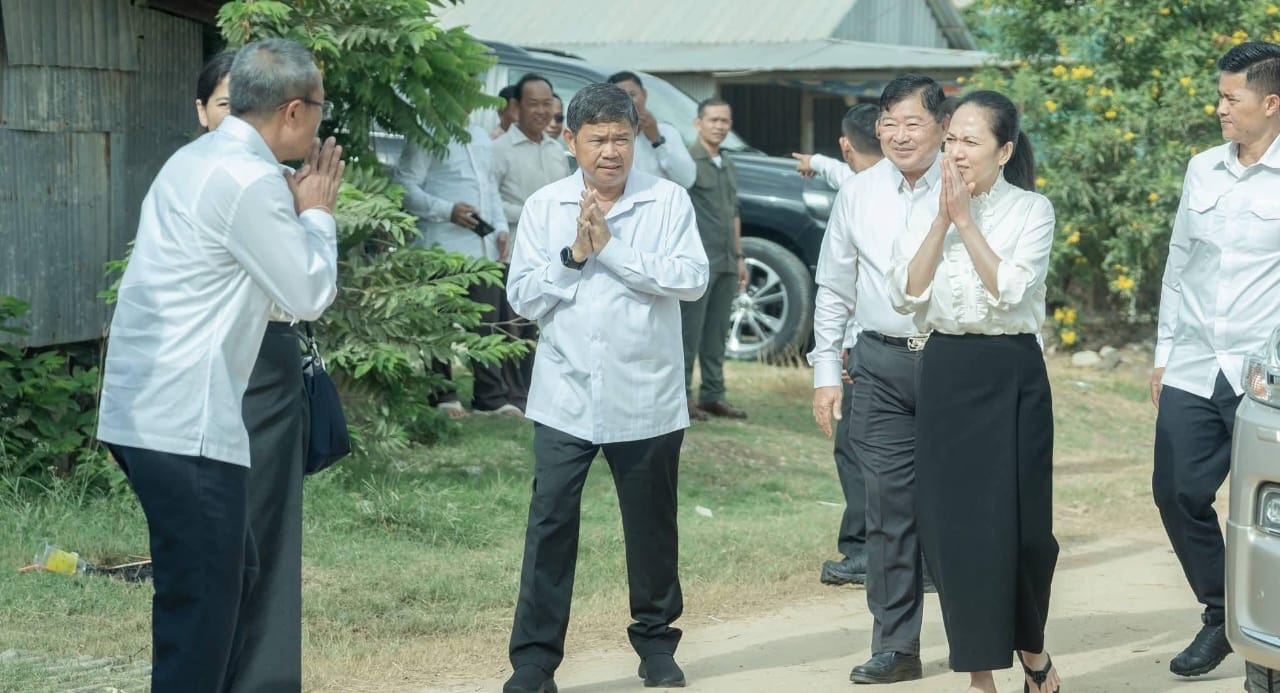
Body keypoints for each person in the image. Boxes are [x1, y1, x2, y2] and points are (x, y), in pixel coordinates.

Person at [96, 38, 343, 692]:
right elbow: (308, 293)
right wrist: (317, 216)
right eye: (321, 106)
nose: (322, 120)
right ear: (293, 111)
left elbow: (262, 297)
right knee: (203, 609)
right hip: (188, 421)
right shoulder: (249, 179)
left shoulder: (196, 159)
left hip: (149, 413)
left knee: (228, 580)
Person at [502, 83, 709, 693]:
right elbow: (522, 298)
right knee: (550, 526)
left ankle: (656, 643)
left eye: (622, 138)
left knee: (651, 527)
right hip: (564, 395)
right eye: (597, 140)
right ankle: (534, 662)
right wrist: (573, 255)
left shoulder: (667, 200)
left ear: (636, 137)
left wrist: (612, 251)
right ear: (571, 141)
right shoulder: (545, 206)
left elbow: (692, 279)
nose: (611, 152)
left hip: (646, 394)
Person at [889, 90, 1060, 693]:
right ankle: (979, 676)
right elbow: (906, 293)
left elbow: (1011, 289)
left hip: (1012, 371)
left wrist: (965, 221)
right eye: (951, 140)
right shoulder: (923, 207)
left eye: (970, 141)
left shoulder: (1032, 210)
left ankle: (1032, 648)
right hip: (947, 368)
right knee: (956, 530)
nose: (956, 152)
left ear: (1004, 151)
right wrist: (942, 219)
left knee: (1026, 532)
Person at [809, 74, 948, 685]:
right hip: (880, 365)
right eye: (889, 123)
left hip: (956, 363)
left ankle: (983, 635)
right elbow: (834, 286)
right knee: (887, 510)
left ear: (943, 127)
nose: (899, 135)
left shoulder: (970, 182)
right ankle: (897, 645)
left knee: (960, 507)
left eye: (913, 122)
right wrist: (825, 371)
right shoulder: (857, 192)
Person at [1152, 41, 1280, 679]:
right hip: (1196, 361)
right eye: (1220, 96)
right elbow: (1179, 262)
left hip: (1267, 375)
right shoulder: (1202, 168)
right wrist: (1163, 353)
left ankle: (1269, 627)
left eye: (1232, 98)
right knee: (1175, 491)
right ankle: (1223, 612)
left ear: (1271, 102)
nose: (1220, 108)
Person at [393, 115, 521, 418]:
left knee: (486, 325)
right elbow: (404, 186)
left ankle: (490, 398)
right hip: (441, 249)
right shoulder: (426, 133)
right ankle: (443, 395)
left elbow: (489, 188)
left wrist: (501, 228)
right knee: (438, 325)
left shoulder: (479, 135)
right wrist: (446, 210)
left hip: (482, 250)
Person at [811, 102, 884, 587]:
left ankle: (864, 550)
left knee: (858, 451)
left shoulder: (859, 194)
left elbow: (840, 285)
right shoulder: (909, 187)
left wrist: (836, 349)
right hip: (908, 347)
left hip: (867, 347)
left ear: (846, 144)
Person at [493, 73, 571, 410]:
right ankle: (514, 392)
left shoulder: (557, 151)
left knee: (544, 326)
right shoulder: (499, 150)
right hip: (513, 251)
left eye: (547, 104)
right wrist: (532, 211)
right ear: (516, 106)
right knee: (515, 325)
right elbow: (490, 201)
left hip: (555, 255)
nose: (542, 111)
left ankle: (537, 389)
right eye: (533, 104)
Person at [682, 98, 749, 422]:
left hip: (726, 260)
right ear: (698, 123)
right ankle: (681, 396)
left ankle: (713, 394)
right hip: (698, 261)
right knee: (688, 334)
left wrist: (739, 257)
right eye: (713, 120)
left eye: (725, 121)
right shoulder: (686, 162)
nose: (720, 126)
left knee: (717, 333)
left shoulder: (728, 163)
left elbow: (734, 212)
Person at [608, 70, 697, 188]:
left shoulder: (666, 132)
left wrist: (657, 140)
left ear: (644, 94)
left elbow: (687, 180)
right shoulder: (605, 136)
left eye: (632, 94)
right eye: (619, 97)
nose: (627, 102)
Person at [792, 103, 883, 191]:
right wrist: (813, 161)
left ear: (845, 146)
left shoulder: (853, 189)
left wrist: (813, 161)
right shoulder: (885, 177)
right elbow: (839, 172)